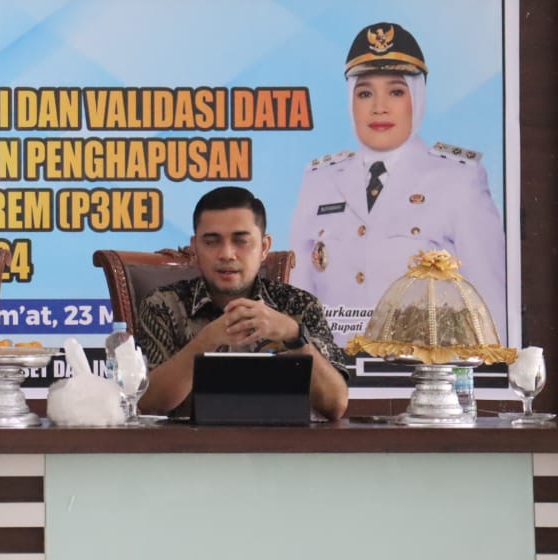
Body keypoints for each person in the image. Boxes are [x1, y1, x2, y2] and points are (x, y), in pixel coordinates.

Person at [289, 22, 507, 345]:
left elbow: (490, 306)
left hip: (422, 369)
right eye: (365, 93)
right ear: (351, 101)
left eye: (396, 91)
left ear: (417, 98)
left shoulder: (459, 180)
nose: (379, 107)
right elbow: (299, 297)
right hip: (332, 370)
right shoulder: (318, 180)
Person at [135, 186, 349, 420]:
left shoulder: (299, 305)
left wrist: (295, 336)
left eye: (241, 241)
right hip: (187, 443)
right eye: (212, 242)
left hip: (281, 442)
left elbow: (335, 406)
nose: (227, 254)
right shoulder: (163, 305)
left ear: (264, 247)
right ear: (195, 247)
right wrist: (206, 341)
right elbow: (148, 404)